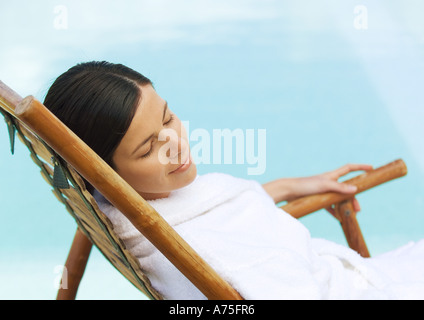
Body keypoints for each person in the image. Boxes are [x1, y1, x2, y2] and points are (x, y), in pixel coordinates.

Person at [44, 61, 424, 299]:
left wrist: (288, 187)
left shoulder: (138, 207)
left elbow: (211, 212)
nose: (176, 143)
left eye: (167, 117)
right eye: (147, 149)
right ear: (106, 175)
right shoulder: (194, 255)